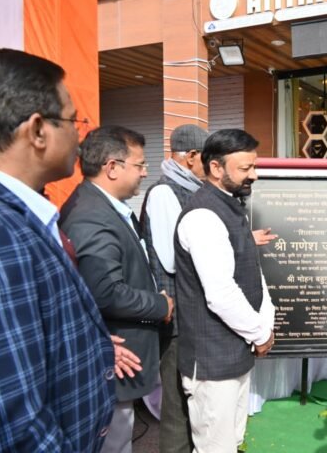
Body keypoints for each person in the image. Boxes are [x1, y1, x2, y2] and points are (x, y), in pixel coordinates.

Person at [0, 49, 115, 451]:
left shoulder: (9, 213)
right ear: (37, 130)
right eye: (74, 121)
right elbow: (7, 418)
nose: (81, 136)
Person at [60, 125, 174, 453]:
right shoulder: (91, 216)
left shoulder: (105, 207)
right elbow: (105, 292)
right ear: (112, 167)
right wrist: (160, 305)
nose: (145, 172)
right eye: (139, 165)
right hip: (115, 357)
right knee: (114, 442)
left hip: (122, 355)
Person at [174, 128, 275, 453]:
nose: (254, 175)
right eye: (246, 168)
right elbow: (220, 293)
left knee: (233, 440)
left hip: (235, 351)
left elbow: (250, 270)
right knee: (215, 448)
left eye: (253, 166)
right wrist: (260, 332)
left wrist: (264, 322)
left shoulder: (230, 205)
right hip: (212, 361)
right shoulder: (203, 215)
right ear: (216, 168)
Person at [140, 124, 209, 453]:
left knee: (191, 397)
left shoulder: (190, 189)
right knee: (176, 403)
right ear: (191, 156)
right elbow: (171, 257)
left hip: (191, 311)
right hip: (176, 313)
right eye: (207, 158)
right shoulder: (164, 192)